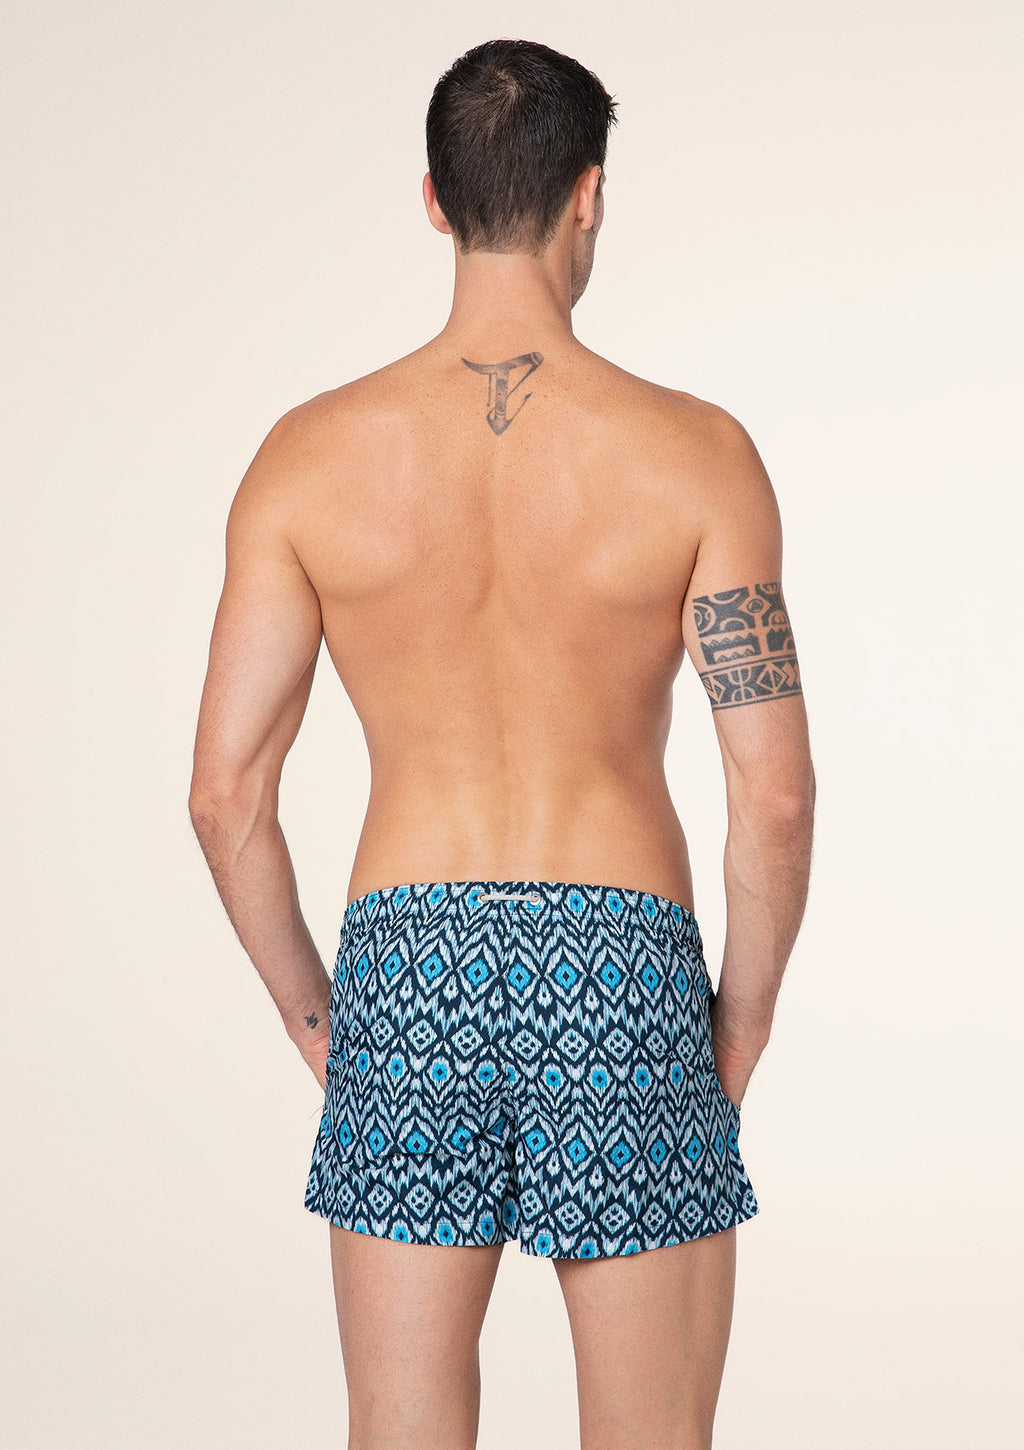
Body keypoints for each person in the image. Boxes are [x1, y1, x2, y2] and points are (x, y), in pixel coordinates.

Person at [188, 35, 815, 1450]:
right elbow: (772, 792)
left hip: (408, 959)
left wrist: (320, 1021)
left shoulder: (306, 457)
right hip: (623, 963)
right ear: (589, 196)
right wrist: (745, 1016)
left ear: (433, 199)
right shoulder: (698, 454)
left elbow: (226, 792)